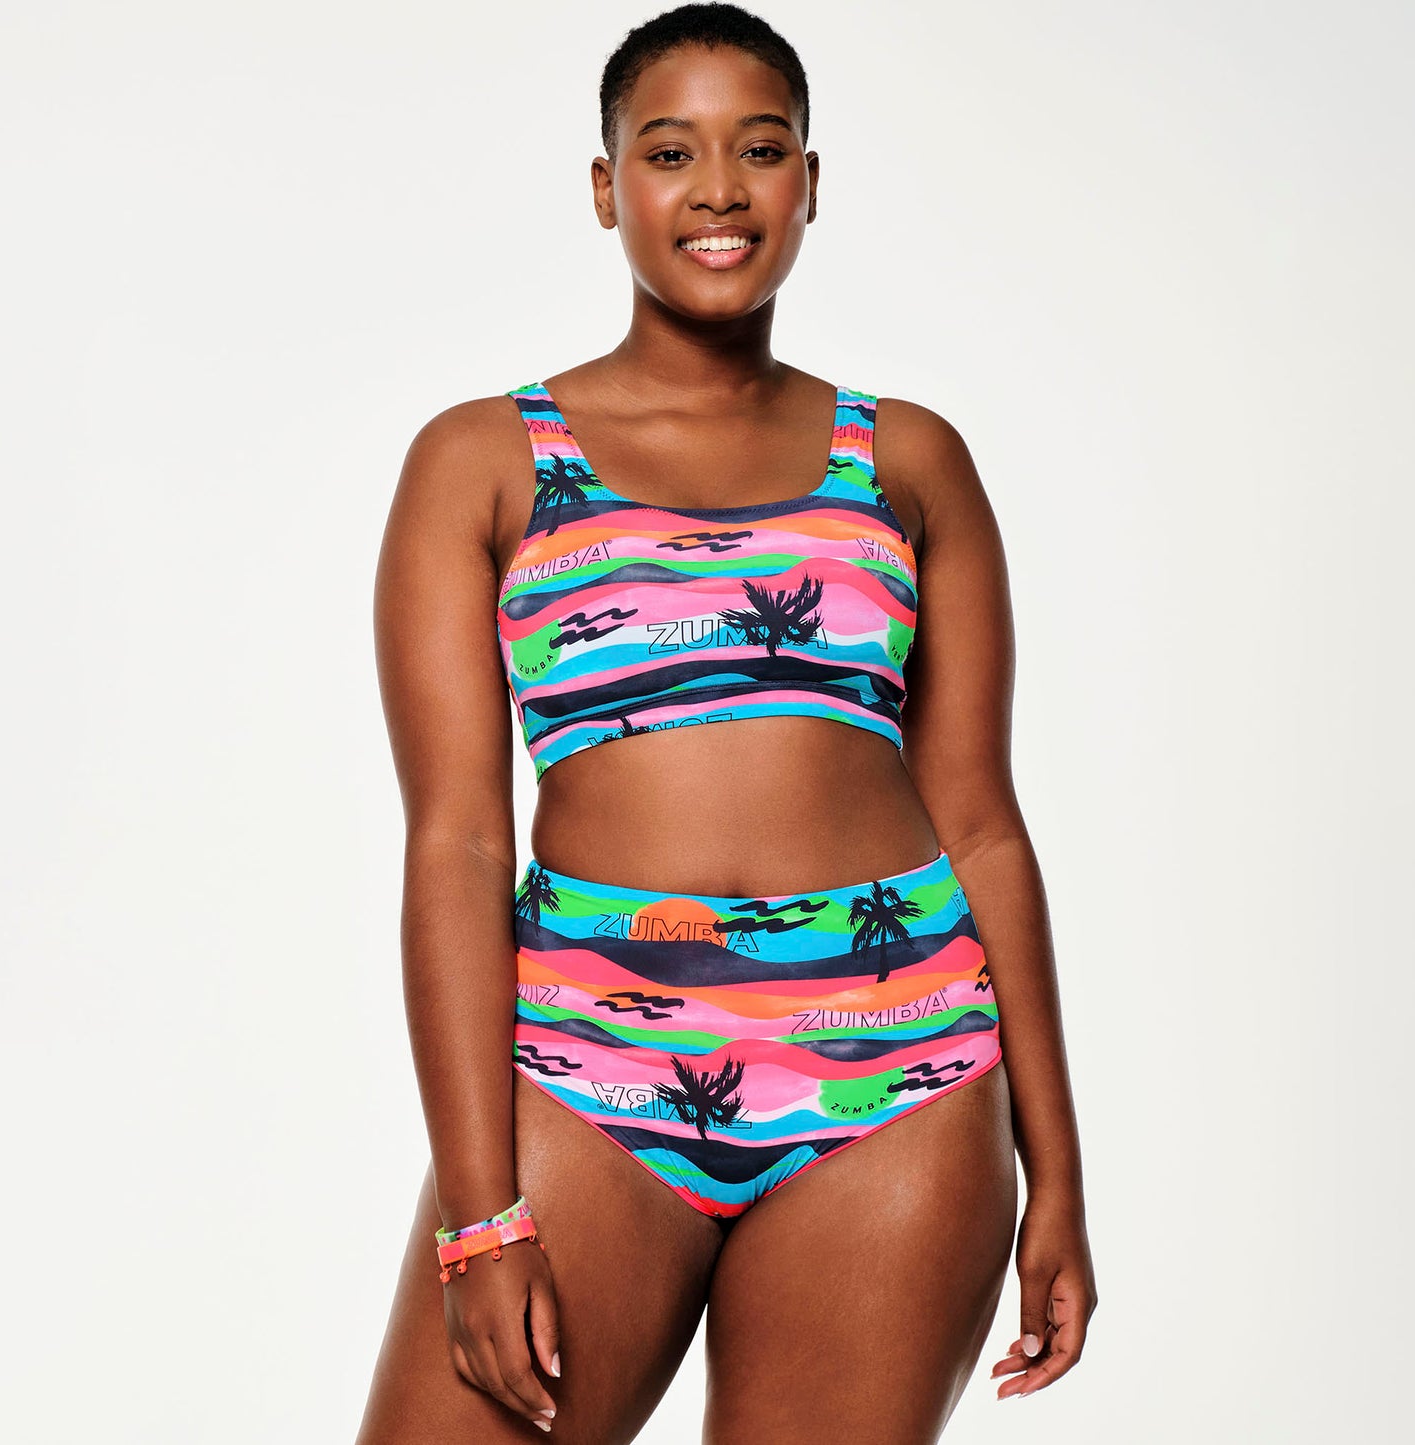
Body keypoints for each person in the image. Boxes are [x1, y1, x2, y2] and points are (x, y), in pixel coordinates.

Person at [357, 4, 1096, 1440]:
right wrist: (478, 1212)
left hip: (897, 1064)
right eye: (668, 152)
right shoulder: (484, 460)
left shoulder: (908, 461)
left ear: (808, 183)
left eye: (759, 151)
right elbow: (456, 842)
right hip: (587, 1058)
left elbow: (983, 821)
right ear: (605, 187)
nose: (717, 191)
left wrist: (1056, 1171)